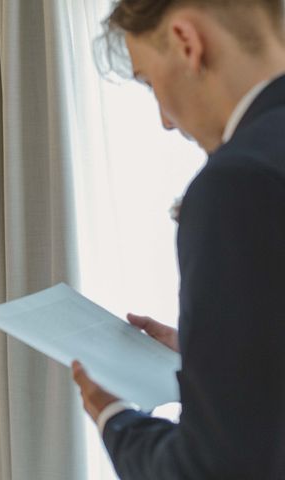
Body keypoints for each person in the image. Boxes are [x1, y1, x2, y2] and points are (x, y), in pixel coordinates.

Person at [71, 1, 285, 478]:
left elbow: (219, 467)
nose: (165, 120)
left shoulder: (235, 184)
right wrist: (216, 358)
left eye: (149, 82)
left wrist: (115, 418)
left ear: (188, 41)